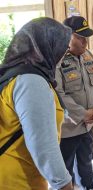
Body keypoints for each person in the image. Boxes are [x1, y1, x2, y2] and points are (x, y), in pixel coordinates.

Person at [0, 17, 73, 190]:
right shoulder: (31, 81)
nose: (65, 52)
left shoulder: (14, 75)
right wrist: (64, 185)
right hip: (17, 182)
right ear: (47, 45)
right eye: (63, 46)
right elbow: (44, 147)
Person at [55, 16, 93, 190]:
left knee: (86, 160)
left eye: (87, 37)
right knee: (66, 166)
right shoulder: (57, 61)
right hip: (68, 128)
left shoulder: (88, 56)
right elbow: (59, 94)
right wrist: (83, 114)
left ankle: (88, 187)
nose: (85, 42)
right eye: (80, 37)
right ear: (67, 36)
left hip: (87, 125)